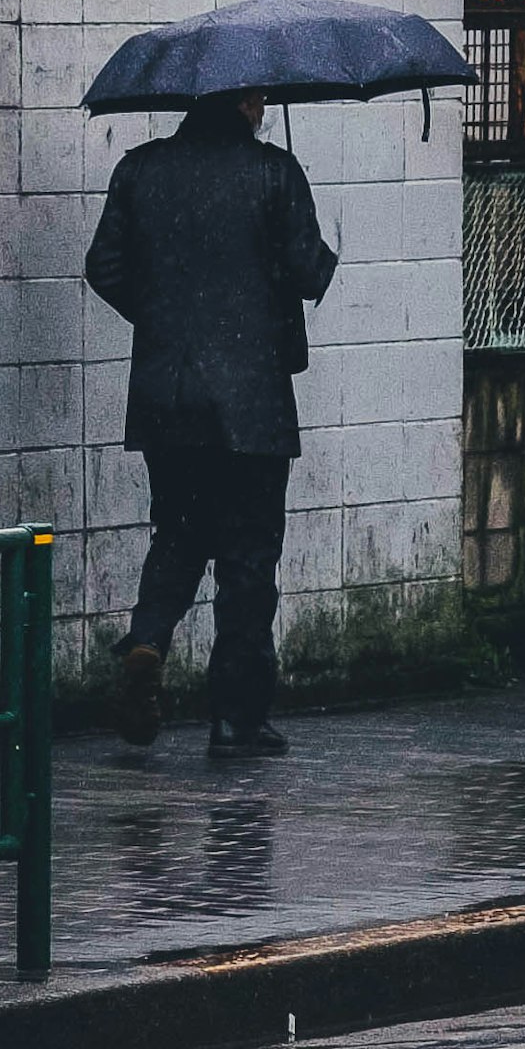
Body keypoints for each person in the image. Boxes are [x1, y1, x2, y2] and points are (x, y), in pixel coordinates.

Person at [82, 87, 339, 757]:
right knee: (247, 558)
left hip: (167, 396)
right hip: (251, 403)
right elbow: (310, 273)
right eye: (260, 97)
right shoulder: (273, 172)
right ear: (248, 101)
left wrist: (167, 319)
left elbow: (103, 266)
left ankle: (146, 642)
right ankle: (236, 719)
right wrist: (311, 242)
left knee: (178, 533)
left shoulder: (138, 168)